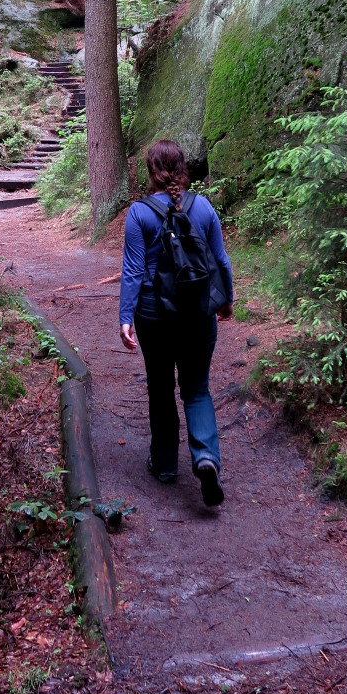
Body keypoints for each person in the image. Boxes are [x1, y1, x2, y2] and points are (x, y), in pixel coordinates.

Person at [119, 140, 234, 507]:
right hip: (199, 311)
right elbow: (221, 260)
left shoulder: (139, 214)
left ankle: (166, 464)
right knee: (197, 388)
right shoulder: (203, 208)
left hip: (154, 315)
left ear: (150, 172)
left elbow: (134, 271)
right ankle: (205, 457)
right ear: (183, 169)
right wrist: (227, 299)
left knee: (160, 386)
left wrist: (125, 318)